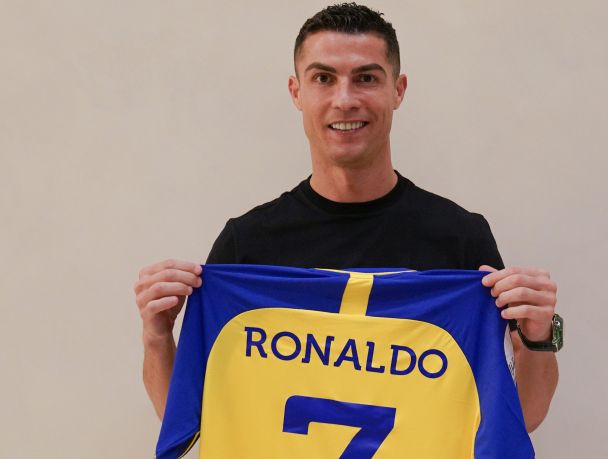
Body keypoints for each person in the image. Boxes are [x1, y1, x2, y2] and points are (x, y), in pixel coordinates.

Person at [134, 3, 559, 433]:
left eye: (366, 78)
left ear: (398, 90)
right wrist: (157, 336)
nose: (345, 100)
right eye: (323, 78)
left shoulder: (460, 237)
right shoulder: (247, 243)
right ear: (296, 92)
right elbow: (192, 419)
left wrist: (539, 336)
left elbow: (522, 416)